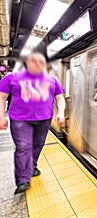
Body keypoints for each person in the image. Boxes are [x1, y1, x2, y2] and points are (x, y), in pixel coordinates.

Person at [0, 52, 65, 194]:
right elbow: (2, 97)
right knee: (23, 147)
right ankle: (23, 179)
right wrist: (1, 117)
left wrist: (60, 113)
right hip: (20, 119)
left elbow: (60, 98)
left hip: (44, 119)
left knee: (38, 145)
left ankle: (32, 166)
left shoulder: (52, 80)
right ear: (27, 63)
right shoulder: (11, 77)